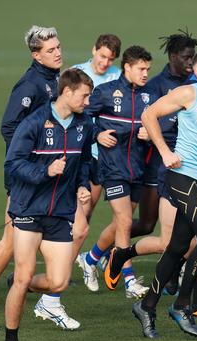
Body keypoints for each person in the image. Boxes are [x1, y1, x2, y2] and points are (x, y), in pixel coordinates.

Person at [109, 48, 197, 338]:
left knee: (176, 248)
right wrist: (164, 151)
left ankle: (146, 306)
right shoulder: (189, 93)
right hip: (181, 176)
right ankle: (182, 304)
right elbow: (149, 115)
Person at [0, 26, 64, 332]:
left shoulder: (53, 78)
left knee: (53, 237)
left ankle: (50, 300)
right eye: (51, 49)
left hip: (46, 176)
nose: (58, 52)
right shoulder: (30, 85)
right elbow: (9, 127)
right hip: (27, 177)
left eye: (58, 47)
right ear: (35, 54)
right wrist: (33, 160)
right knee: (9, 242)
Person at [2, 68, 94, 341]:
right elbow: (12, 164)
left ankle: (21, 284)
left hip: (60, 213)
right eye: (84, 95)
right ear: (67, 92)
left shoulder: (84, 125)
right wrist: (46, 170)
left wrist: (82, 186)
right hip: (28, 209)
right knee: (23, 272)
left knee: (58, 282)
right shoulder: (34, 123)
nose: (87, 101)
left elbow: (84, 163)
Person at [81, 45, 157, 299]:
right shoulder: (105, 93)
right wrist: (97, 134)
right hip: (112, 168)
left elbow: (160, 125)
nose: (145, 73)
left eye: (148, 69)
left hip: (138, 169)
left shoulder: (151, 96)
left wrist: (149, 135)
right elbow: (79, 117)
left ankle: (90, 259)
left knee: (119, 224)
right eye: (141, 69)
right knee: (124, 221)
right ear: (127, 67)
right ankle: (129, 280)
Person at [71, 34, 122, 292]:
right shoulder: (76, 73)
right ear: (93, 50)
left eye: (109, 59)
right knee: (77, 210)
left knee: (87, 210)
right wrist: (95, 134)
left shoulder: (118, 77)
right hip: (81, 153)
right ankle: (65, 263)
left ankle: (74, 261)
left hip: (105, 155)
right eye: (101, 56)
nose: (104, 63)